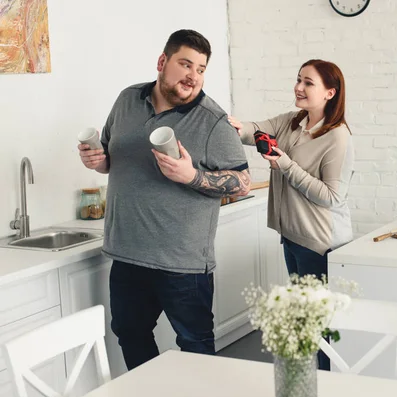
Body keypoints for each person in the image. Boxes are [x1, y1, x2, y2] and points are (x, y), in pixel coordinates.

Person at [77, 29, 251, 370]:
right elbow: (112, 159)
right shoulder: (127, 99)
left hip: (182, 262)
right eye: (186, 64)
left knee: (195, 343)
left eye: (200, 69)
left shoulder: (213, 120)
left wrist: (193, 176)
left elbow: (243, 182)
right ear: (162, 62)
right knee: (130, 333)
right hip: (127, 254)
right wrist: (97, 161)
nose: (193, 76)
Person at [228, 59, 354, 370]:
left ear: (329, 93)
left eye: (308, 83)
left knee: (321, 323)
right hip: (293, 237)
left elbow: (332, 196)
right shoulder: (292, 122)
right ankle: (311, 381)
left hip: (320, 243)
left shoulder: (337, 137)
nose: (298, 87)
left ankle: (328, 383)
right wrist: (230, 124)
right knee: (307, 319)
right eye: (298, 79)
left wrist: (284, 164)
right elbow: (255, 130)